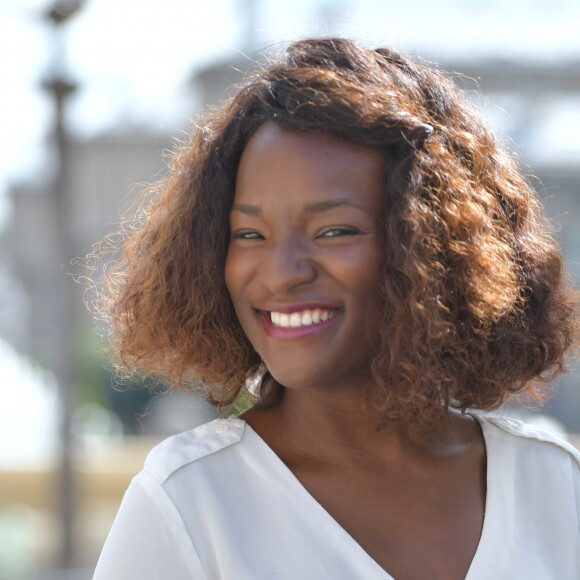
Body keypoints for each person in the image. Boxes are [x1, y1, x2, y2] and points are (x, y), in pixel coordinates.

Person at [92, 38, 580, 579]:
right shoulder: (188, 505)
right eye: (249, 233)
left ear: (433, 247)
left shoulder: (555, 485)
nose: (281, 272)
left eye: (334, 230)